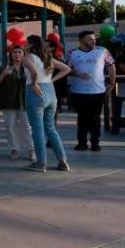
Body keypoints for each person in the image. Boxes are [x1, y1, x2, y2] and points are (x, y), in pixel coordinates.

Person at [23, 35, 73, 172]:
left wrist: (33, 84)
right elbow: (67, 69)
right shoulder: (48, 58)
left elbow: (33, 71)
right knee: (50, 128)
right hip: (50, 92)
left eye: (25, 42)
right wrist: (52, 80)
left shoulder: (27, 57)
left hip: (36, 92)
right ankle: (62, 160)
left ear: (31, 44)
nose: (23, 44)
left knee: (37, 129)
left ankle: (41, 163)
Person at [67, 30, 116, 151]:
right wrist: (77, 73)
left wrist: (112, 82)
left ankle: (95, 142)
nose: (93, 41)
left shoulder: (102, 51)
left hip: (97, 91)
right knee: (82, 118)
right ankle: (82, 143)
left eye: (94, 39)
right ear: (81, 41)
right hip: (78, 91)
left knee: (95, 118)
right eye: (90, 39)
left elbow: (111, 66)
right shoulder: (72, 52)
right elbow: (66, 69)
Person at [0, 45, 34, 161]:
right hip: (8, 101)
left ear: (23, 54)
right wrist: (3, 74)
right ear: (10, 54)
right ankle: (14, 149)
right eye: (14, 52)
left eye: (19, 52)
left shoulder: (28, 68)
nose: (17, 54)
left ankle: (31, 149)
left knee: (26, 126)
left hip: (24, 101)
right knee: (10, 126)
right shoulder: (3, 68)